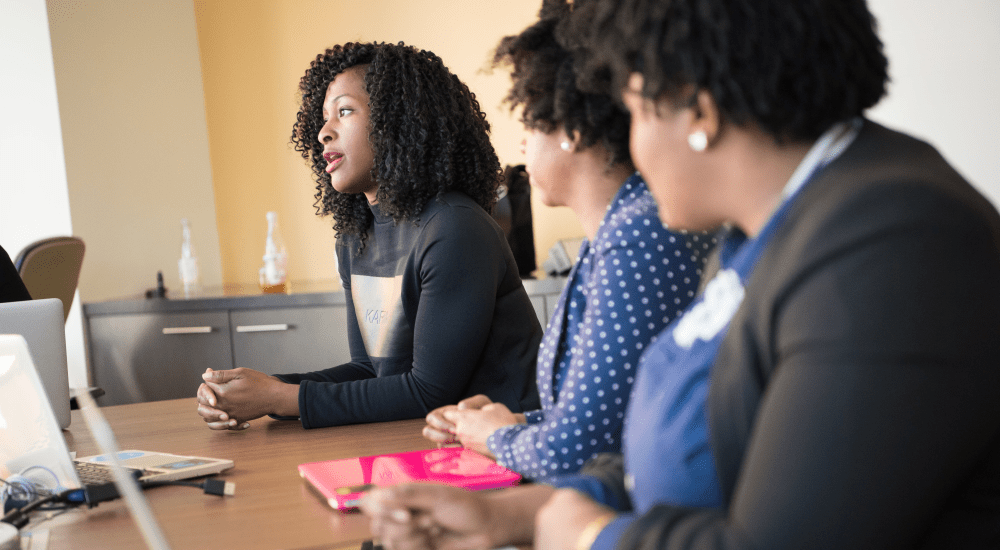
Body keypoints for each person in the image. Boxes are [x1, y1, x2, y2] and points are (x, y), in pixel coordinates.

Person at [361, 0, 1000, 549]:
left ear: (697, 110)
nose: (631, 145)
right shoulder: (766, 230)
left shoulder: (893, 243)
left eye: (635, 112)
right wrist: (505, 515)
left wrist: (586, 533)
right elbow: (688, 464)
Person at [421, 1, 714, 481]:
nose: (520, 144)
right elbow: (602, 420)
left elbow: (575, 451)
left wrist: (495, 437)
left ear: (573, 130)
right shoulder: (616, 232)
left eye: (531, 122)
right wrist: (508, 423)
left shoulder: (638, 234)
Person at [196, 42, 543, 430]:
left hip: (507, 452)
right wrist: (261, 393)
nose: (324, 133)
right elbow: (370, 371)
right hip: (424, 437)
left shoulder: (454, 228)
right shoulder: (354, 237)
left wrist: (283, 397)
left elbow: (430, 391)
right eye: (324, 118)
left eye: (344, 112)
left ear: (399, 121)